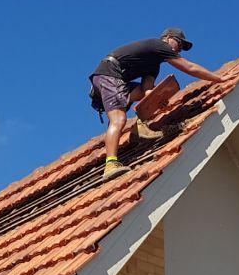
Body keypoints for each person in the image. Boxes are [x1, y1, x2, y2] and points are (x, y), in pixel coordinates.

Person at [88, 28, 228, 178]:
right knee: (119, 119)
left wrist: (157, 100)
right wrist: (219, 78)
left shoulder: (154, 66)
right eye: (179, 43)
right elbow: (190, 67)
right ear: (168, 38)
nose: (179, 49)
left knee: (151, 92)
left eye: (182, 48)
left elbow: (147, 91)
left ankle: (139, 128)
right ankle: (110, 164)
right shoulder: (159, 45)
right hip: (108, 75)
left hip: (115, 80)